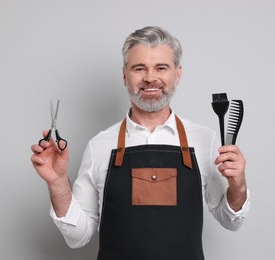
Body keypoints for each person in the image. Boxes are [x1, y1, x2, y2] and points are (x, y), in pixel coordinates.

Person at [31, 26, 250, 260]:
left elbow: (231, 222)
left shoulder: (205, 140)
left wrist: (238, 186)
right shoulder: (99, 146)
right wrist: (57, 183)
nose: (150, 78)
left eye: (161, 68)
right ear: (125, 75)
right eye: (139, 68)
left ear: (177, 74)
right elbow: (77, 238)